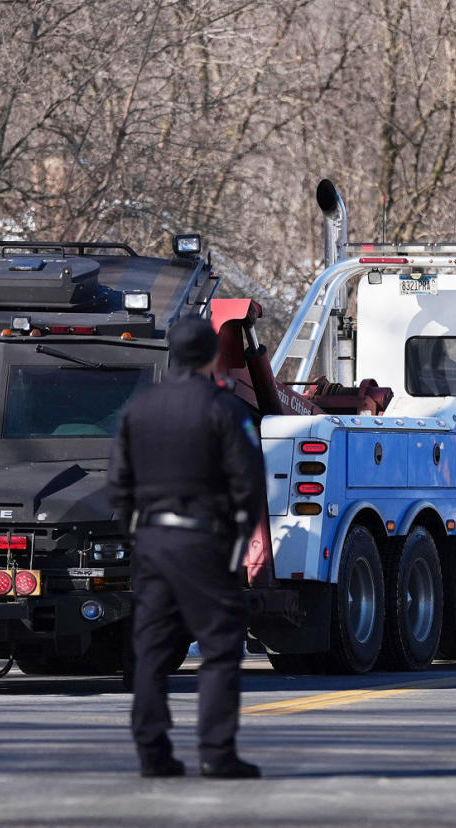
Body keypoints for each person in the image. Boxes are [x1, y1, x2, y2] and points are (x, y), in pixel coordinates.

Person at [107, 316, 266, 779]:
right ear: (213, 356)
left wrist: (136, 533)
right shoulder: (223, 408)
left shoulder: (139, 409)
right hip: (204, 538)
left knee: (152, 647)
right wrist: (237, 540)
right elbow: (248, 482)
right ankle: (217, 753)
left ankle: (152, 753)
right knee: (219, 646)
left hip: (153, 539)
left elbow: (118, 483)